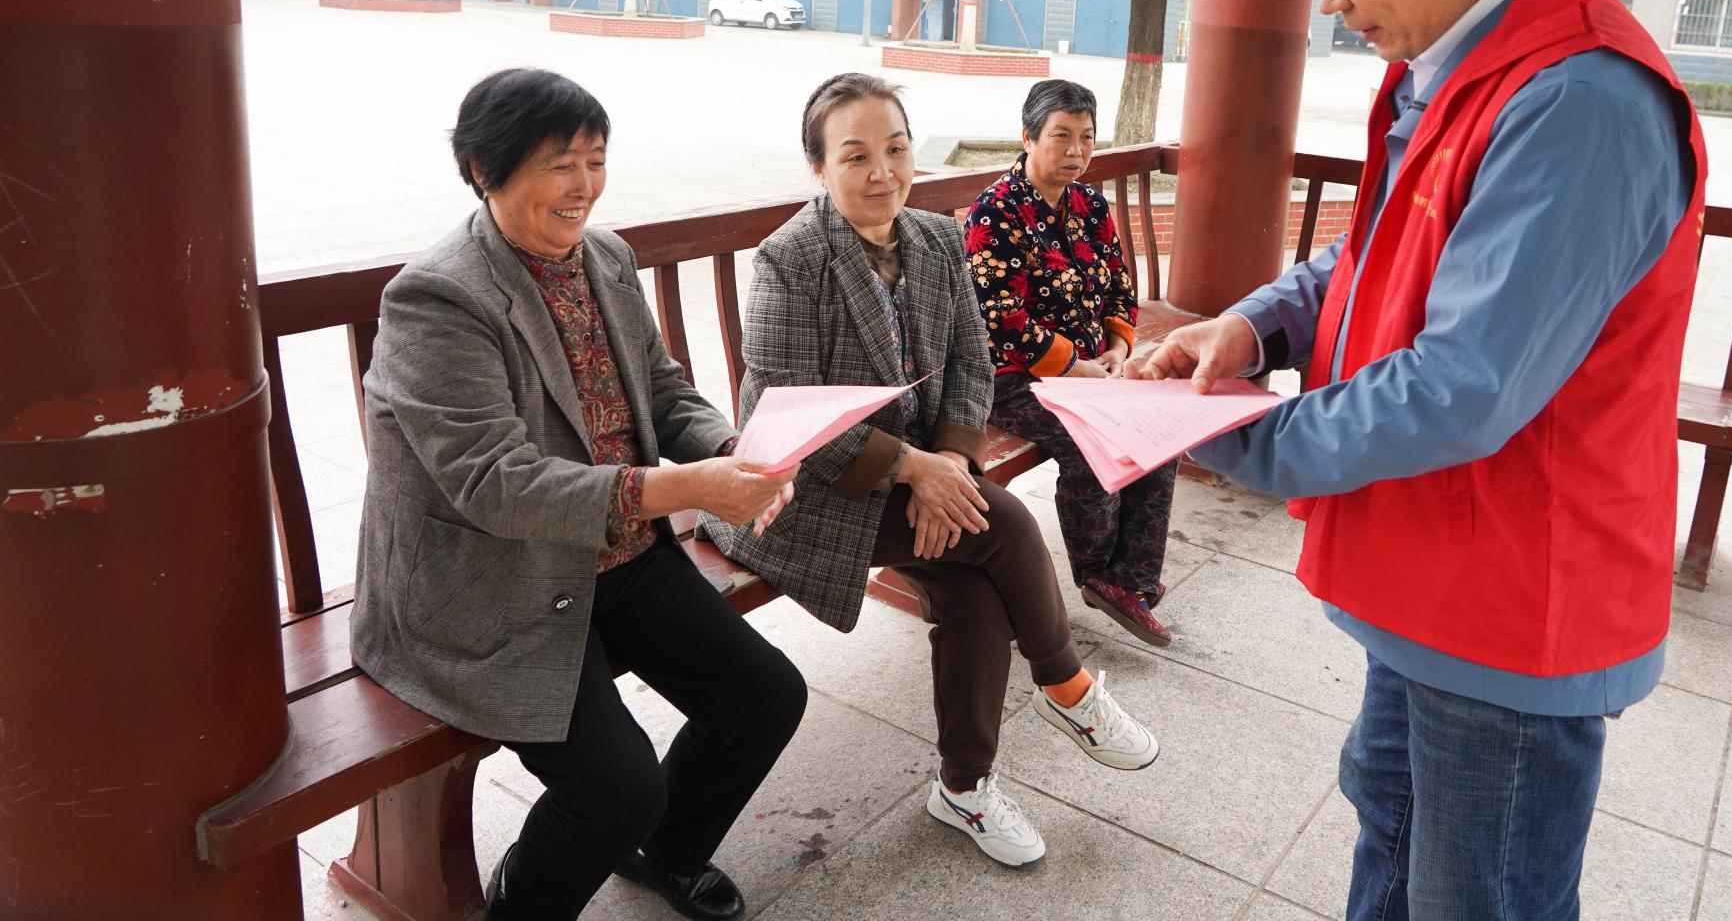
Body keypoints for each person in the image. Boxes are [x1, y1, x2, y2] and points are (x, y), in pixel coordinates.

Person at [1130, 0, 1706, 920]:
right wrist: (1252, 323)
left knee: (1474, 890)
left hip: (1511, 599)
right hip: (1434, 567)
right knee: (1391, 829)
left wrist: (1229, 433)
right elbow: (1373, 258)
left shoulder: (1576, 98)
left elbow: (1460, 385)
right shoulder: (1452, 67)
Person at [352, 68, 807, 921]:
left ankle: (669, 852)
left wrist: (731, 450)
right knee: (618, 787)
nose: (585, 186)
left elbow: (662, 389)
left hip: (615, 554)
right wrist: (687, 487)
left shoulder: (605, 256)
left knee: (765, 698)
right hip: (493, 579)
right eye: (559, 163)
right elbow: (494, 483)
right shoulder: (439, 297)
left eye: (596, 160)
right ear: (484, 169)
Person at [701, 72, 1160, 871]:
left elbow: (973, 361)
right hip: (809, 489)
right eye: (856, 156)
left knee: (975, 590)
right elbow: (781, 411)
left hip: (919, 471)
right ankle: (1067, 688)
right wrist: (914, 466)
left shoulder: (937, 239)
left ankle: (964, 788)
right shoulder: (792, 259)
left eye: (896, 149)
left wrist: (947, 462)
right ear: (818, 167)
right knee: (1001, 521)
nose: (882, 172)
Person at [964, 79, 1180, 646]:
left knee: (1158, 435)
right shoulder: (995, 212)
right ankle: (1097, 573)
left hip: (1089, 370)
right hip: (1011, 378)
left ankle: (1130, 578)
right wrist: (1071, 367)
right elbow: (998, 318)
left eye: (1086, 137)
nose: (1076, 150)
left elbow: (1119, 286)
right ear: (1028, 137)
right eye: (1061, 136)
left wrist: (1117, 347)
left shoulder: (1090, 204)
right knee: (1093, 442)